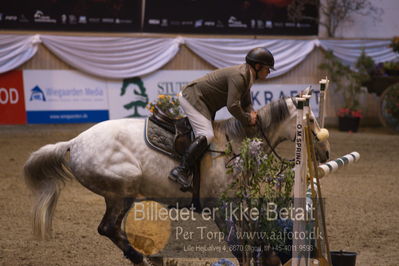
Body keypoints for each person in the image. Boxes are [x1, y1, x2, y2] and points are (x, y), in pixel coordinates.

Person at [169, 47, 275, 189]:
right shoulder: (240, 76)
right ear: (257, 66)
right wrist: (248, 119)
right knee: (206, 134)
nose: (268, 72)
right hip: (193, 97)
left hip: (204, 103)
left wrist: (252, 112)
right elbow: (232, 106)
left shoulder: (247, 76)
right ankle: (180, 170)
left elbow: (246, 102)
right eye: (267, 69)